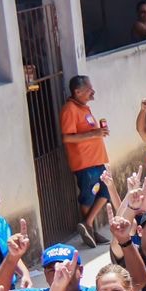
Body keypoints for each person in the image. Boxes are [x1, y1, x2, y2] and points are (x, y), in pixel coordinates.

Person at [58, 78, 112, 246]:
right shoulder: (70, 109)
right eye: (89, 89)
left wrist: (97, 133)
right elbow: (67, 137)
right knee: (89, 196)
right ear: (77, 92)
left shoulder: (83, 108)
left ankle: (88, 225)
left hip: (96, 160)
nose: (92, 92)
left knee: (106, 192)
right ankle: (89, 228)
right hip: (85, 163)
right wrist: (94, 134)